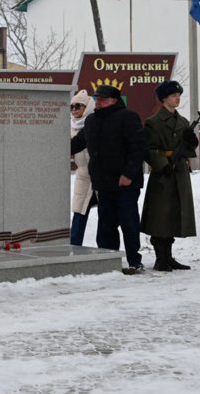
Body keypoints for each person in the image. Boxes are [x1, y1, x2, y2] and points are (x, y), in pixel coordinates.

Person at [70, 84, 147, 274]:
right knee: (106, 224)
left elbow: (137, 149)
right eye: (96, 99)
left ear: (114, 100)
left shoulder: (128, 117)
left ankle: (134, 260)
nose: (98, 102)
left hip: (125, 182)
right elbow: (76, 144)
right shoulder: (91, 121)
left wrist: (128, 174)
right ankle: (109, 259)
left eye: (102, 99)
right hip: (103, 183)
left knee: (128, 222)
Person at [141, 80, 198, 271]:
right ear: (164, 98)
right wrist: (162, 165)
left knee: (174, 214)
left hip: (179, 173)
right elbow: (148, 150)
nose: (178, 98)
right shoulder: (153, 122)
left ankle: (169, 256)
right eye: (174, 95)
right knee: (160, 215)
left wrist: (192, 142)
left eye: (178, 95)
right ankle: (160, 258)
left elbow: (188, 148)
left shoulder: (182, 122)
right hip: (163, 174)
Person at [69, 90, 97, 246]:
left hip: (100, 174)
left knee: (107, 214)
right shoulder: (70, 125)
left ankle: (106, 249)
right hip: (83, 175)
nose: (74, 110)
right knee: (79, 211)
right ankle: (74, 245)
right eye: (72, 106)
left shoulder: (94, 121)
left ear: (87, 107)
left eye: (78, 106)